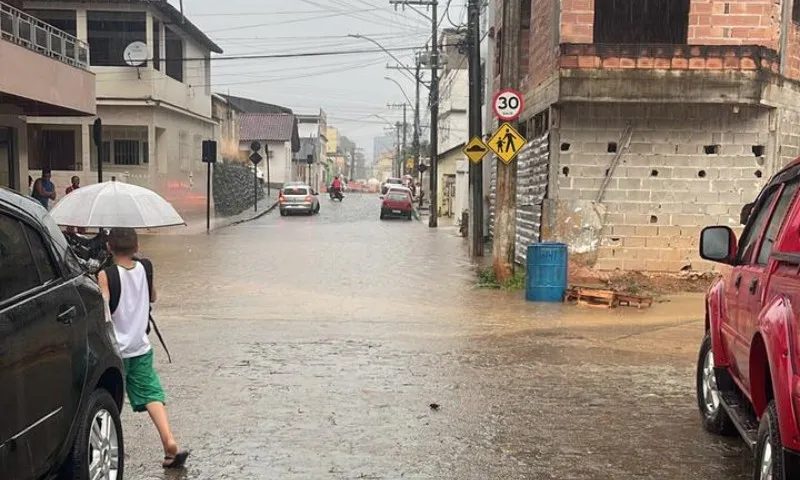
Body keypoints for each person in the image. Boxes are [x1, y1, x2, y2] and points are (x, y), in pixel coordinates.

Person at [97, 228, 189, 469]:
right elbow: (153, 297)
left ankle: (108, 445)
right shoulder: (145, 268)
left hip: (113, 352)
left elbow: (102, 310)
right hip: (140, 346)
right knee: (152, 395)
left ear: (109, 248)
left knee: (106, 399)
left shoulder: (105, 275)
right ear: (136, 248)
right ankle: (169, 441)